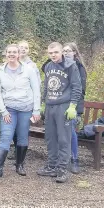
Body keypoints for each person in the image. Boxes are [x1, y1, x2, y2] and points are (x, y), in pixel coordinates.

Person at [0, 44, 41, 179]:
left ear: (19, 54)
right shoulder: (0, 71)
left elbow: (36, 90)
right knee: (6, 136)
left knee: (22, 136)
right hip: (9, 109)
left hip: (25, 108)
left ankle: (19, 165)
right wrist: (3, 111)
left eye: (14, 52)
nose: (11, 54)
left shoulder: (29, 69)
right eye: (9, 52)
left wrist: (36, 110)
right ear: (6, 54)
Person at [37, 42, 82, 183]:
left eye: (56, 52)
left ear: (61, 51)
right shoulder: (49, 66)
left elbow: (77, 87)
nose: (53, 55)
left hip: (64, 106)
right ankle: (52, 166)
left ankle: (62, 168)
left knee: (63, 139)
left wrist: (73, 106)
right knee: (50, 138)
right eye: (50, 53)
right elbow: (46, 86)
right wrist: (44, 103)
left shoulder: (71, 66)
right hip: (50, 106)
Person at [62, 42, 88, 174]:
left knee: (71, 131)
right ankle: (60, 160)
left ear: (75, 53)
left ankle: (74, 159)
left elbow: (80, 91)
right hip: (60, 106)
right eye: (64, 50)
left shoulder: (79, 67)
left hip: (73, 107)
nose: (66, 53)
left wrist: (76, 110)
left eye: (68, 51)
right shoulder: (60, 65)